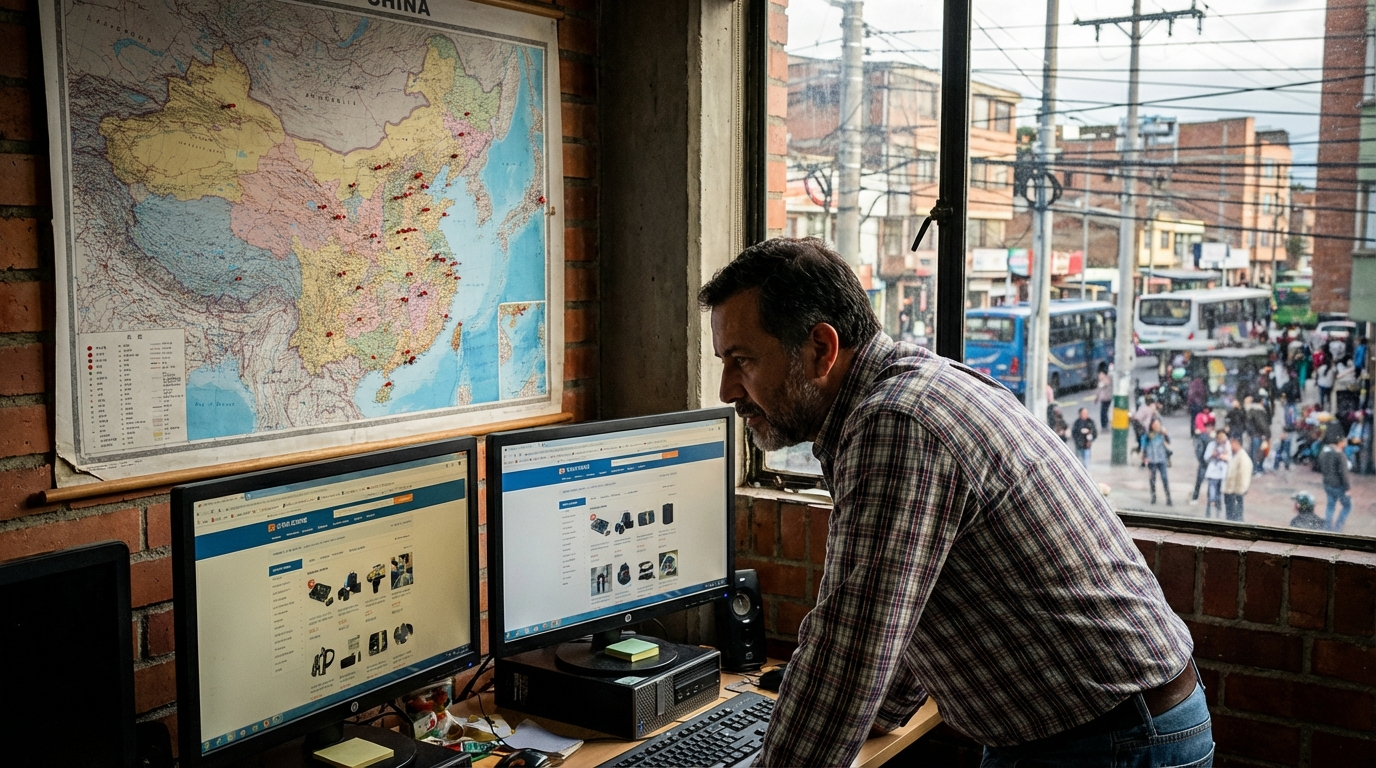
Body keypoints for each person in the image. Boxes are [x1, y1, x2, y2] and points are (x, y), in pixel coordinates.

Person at [700, 238, 1207, 767]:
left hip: (1108, 742)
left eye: (742, 361)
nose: (726, 389)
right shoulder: (903, 393)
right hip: (1099, 729)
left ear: (822, 349)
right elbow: (901, 604)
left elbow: (849, 649)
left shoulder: (895, 423)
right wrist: (877, 713)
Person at [1318, 435, 1353, 531]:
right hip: (1338, 485)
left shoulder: (1324, 451)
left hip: (1327, 483)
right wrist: (1347, 488)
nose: (1345, 444)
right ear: (1340, 442)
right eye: (1344, 442)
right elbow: (1344, 473)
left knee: (1330, 506)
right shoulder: (1339, 454)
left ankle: (1327, 527)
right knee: (1348, 506)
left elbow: (1319, 465)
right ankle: (1338, 527)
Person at [1222, 436, 1253, 521]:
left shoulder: (1243, 458)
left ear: (1236, 443)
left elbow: (1244, 476)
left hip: (1235, 492)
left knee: (1236, 516)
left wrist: (1239, 490)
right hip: (1231, 491)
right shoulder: (1236, 455)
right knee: (1230, 515)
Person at [1143, 418, 1172, 506]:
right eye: (1154, 424)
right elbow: (1144, 447)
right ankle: (1153, 496)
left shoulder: (1162, 434)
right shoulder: (1148, 435)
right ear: (1152, 425)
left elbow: (1168, 442)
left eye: (1158, 424)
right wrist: (1145, 458)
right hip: (1152, 460)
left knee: (1164, 478)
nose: (1156, 426)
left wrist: (1165, 434)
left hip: (1161, 459)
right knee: (1152, 479)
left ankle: (1168, 497)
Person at [1203, 430, 1231, 519]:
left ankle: (1218, 512)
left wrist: (1225, 457)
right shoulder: (1212, 445)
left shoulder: (1227, 445)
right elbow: (1206, 457)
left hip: (1222, 473)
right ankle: (1209, 511)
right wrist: (1212, 454)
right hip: (1212, 472)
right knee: (1211, 492)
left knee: (1219, 493)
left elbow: (1230, 458)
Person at [1189, 410, 1216, 504]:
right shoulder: (1203, 437)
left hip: (1211, 463)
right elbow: (1199, 451)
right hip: (1205, 463)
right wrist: (1203, 461)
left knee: (1212, 482)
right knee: (1200, 481)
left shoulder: (1212, 437)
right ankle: (1195, 497)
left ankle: (1211, 499)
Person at [1245, 396, 1270, 475]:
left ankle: (1254, 468)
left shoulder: (1250, 410)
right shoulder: (1259, 411)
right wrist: (1267, 434)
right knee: (1258, 452)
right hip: (1259, 434)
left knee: (1254, 452)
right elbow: (1262, 424)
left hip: (1253, 434)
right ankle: (1257, 468)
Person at [1273, 392, 1297, 471]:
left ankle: (1286, 464)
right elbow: (1278, 420)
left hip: (1287, 430)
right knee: (1279, 449)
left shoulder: (1289, 407)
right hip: (1280, 431)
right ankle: (1276, 465)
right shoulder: (1278, 407)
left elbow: (1291, 419)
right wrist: (1281, 432)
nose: (1283, 400)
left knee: (1286, 448)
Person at [1096, 363, 1113, 430]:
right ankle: (1105, 424)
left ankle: (1104, 425)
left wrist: (1097, 397)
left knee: (1103, 412)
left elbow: (1100, 388)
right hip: (1109, 396)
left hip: (1105, 398)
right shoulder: (1110, 376)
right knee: (1106, 411)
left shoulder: (1103, 378)